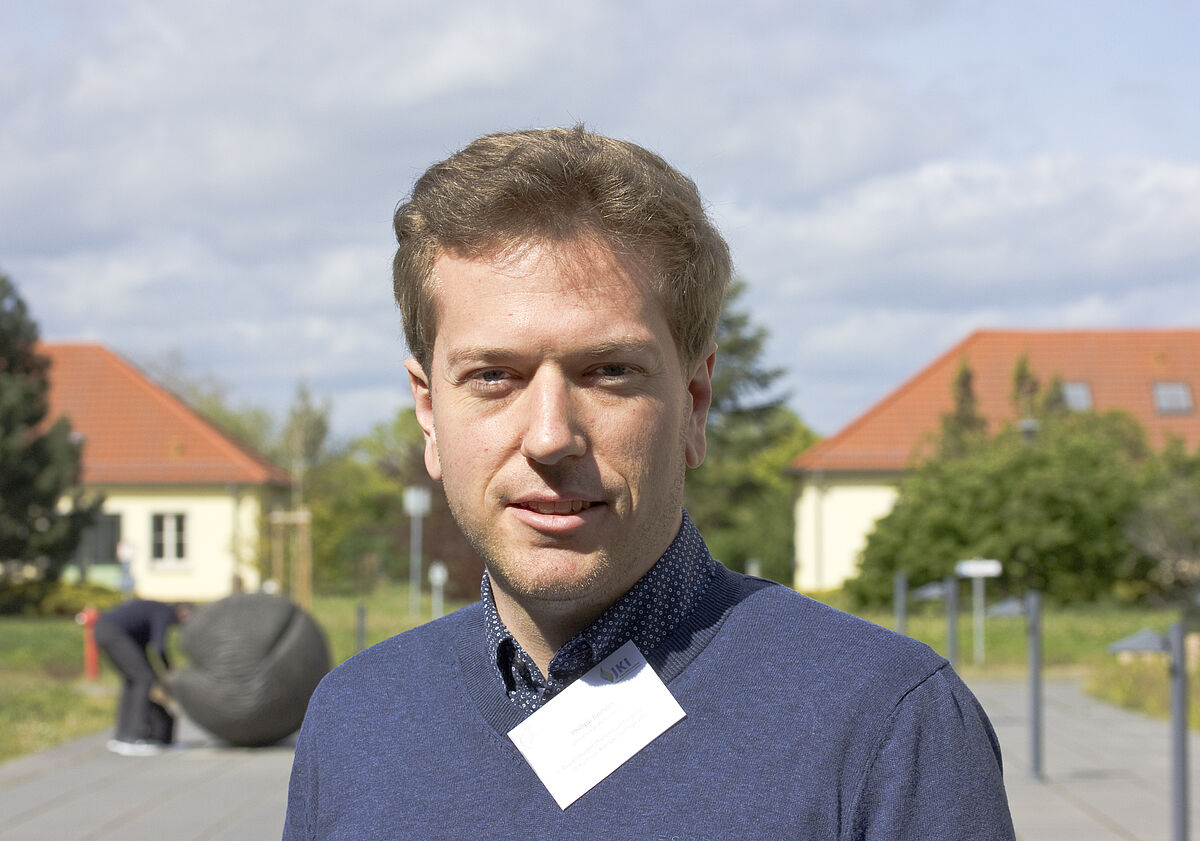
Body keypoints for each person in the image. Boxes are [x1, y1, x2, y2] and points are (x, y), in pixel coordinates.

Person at [284, 127, 1015, 839]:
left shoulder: (885, 726)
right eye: (494, 376)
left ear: (694, 403)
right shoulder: (354, 723)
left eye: (609, 372)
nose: (549, 436)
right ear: (429, 413)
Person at [94, 598, 188, 755]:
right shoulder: (165, 612)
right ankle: (133, 737)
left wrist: (156, 673)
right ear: (182, 610)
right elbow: (159, 647)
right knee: (143, 679)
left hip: (103, 630)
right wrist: (170, 671)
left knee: (134, 680)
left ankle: (122, 737)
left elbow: (142, 652)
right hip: (114, 632)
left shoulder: (151, 612)